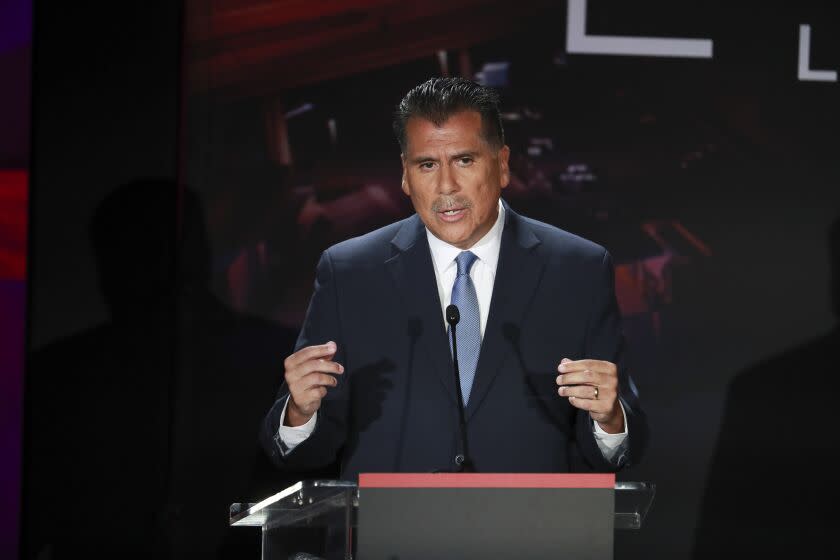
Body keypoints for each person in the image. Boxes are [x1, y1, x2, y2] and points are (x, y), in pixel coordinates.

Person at [260, 77, 647, 478]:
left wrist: (609, 419)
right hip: (392, 535)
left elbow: (621, 446)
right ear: (406, 177)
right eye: (427, 165)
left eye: (464, 160)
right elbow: (299, 451)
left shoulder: (577, 269)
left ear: (501, 165)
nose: (446, 186)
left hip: (530, 533)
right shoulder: (349, 273)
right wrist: (301, 412)